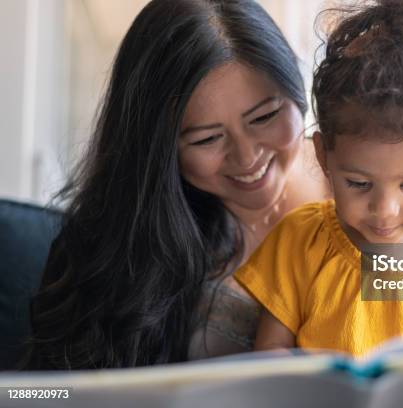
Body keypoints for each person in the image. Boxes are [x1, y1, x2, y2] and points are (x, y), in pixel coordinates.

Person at [22, 0, 327, 369]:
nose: (247, 158)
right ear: (158, 151)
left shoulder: (377, 188)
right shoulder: (111, 245)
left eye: (264, 117)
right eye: (206, 139)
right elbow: (39, 394)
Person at [234, 0, 403, 356]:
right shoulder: (300, 240)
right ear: (323, 155)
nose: (384, 210)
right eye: (359, 184)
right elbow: (269, 361)